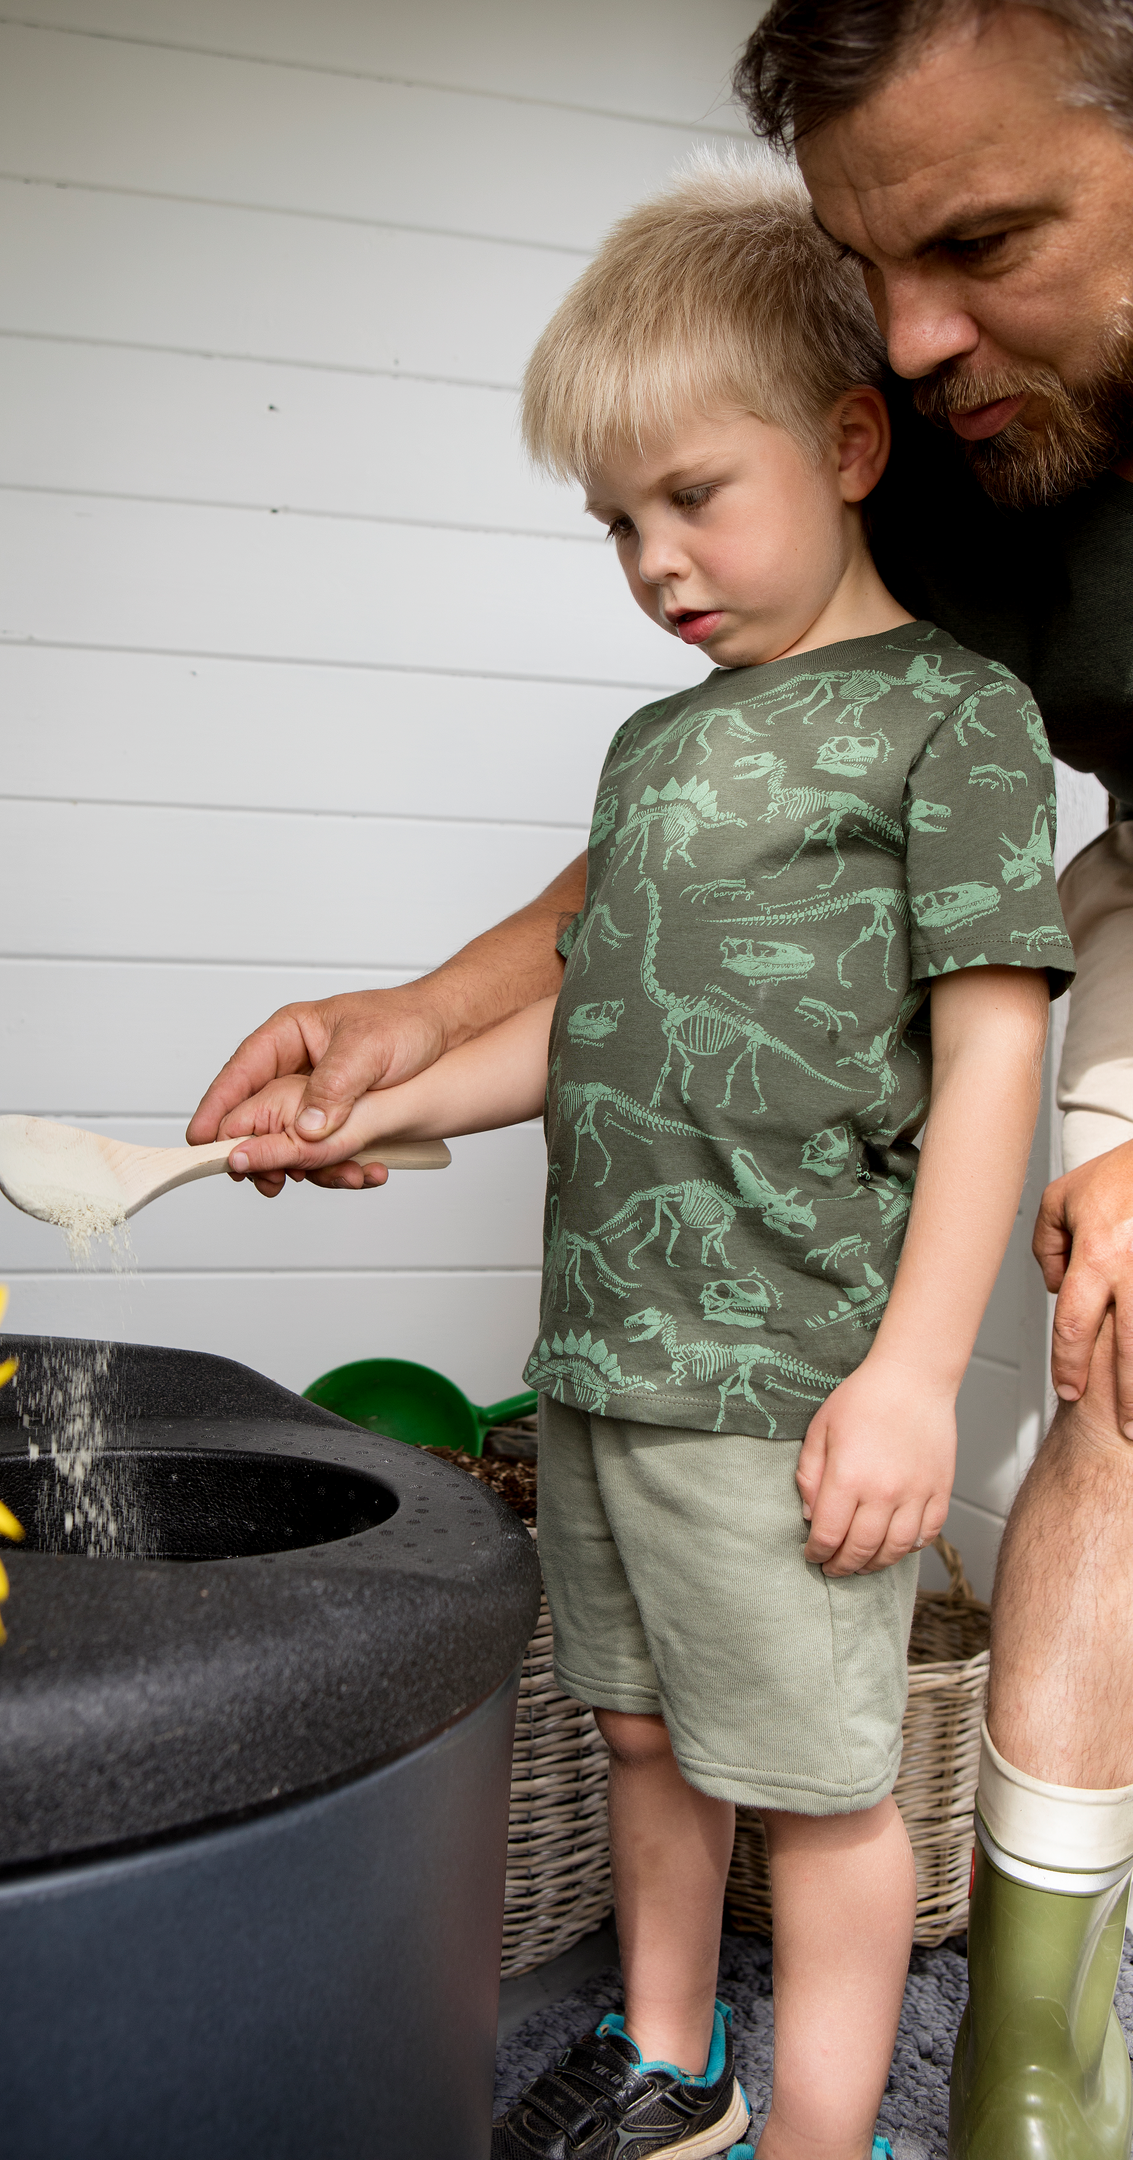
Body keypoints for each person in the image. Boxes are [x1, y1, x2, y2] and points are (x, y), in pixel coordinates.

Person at [192, 10, 1133, 2154]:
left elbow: (999, 1052)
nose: (657, 565)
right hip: (610, 1361)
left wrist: (910, 1377)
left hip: (791, 1375)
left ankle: (821, 2133)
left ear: (849, 452)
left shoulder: (952, 722)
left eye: (693, 498)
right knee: (638, 1741)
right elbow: (596, 1013)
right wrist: (397, 1099)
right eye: (619, 525)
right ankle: (671, 2068)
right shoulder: (658, 749)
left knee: (817, 1791)